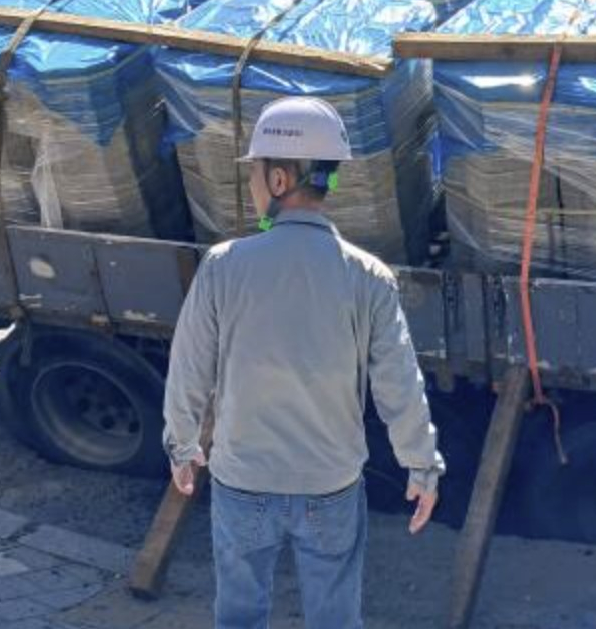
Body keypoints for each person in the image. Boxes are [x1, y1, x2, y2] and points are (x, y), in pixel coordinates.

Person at [163, 96, 444, 629]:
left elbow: (189, 367)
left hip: (242, 482)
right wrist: (421, 465)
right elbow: (399, 385)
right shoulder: (368, 276)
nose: (251, 185)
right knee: (335, 618)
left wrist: (181, 444)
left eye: (255, 173)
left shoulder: (224, 266)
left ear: (278, 180)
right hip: (330, 486)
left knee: (240, 615)